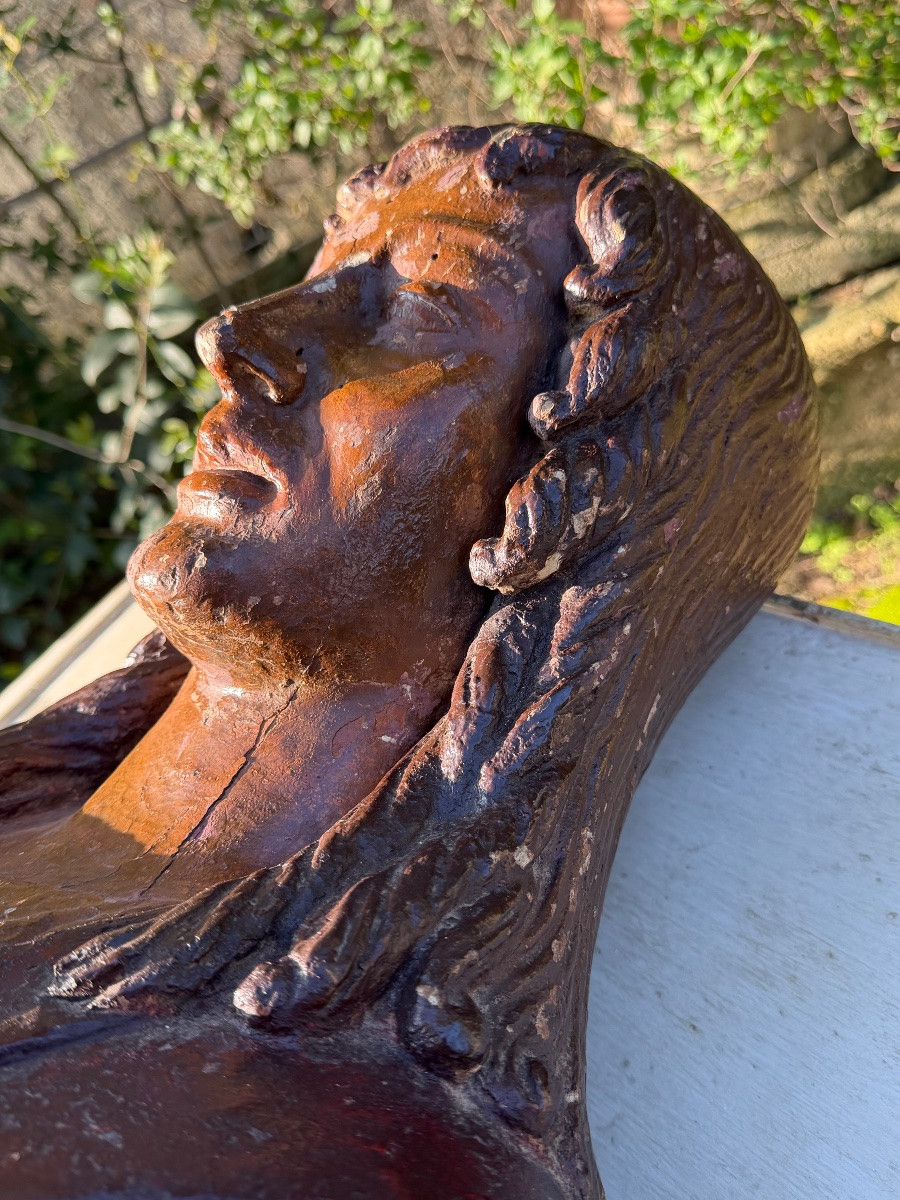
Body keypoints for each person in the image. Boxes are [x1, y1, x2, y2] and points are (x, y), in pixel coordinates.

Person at [0, 124, 818, 1199]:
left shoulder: (346, 1156)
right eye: (322, 280)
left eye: (423, 306)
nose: (237, 335)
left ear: (574, 510)